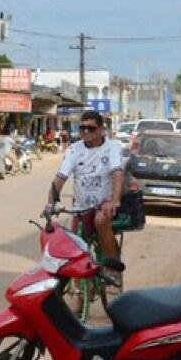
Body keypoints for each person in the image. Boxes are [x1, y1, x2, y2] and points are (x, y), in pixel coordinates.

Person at [46, 111, 124, 261]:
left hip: (104, 204)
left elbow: (117, 175)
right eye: (82, 128)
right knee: (75, 242)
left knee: (100, 221)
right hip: (81, 207)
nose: (86, 132)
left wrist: (114, 201)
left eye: (91, 128)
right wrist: (50, 203)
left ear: (101, 129)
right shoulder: (74, 149)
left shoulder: (113, 147)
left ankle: (112, 264)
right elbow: (60, 178)